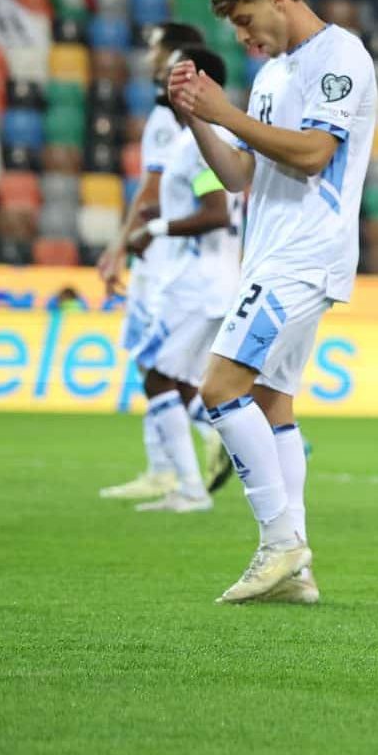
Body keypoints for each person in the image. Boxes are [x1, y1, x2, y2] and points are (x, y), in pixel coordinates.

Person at [168, 0, 378, 605]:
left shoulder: (339, 57)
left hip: (303, 255)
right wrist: (201, 119)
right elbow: (240, 178)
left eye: (245, 18)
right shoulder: (270, 77)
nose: (243, 36)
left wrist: (225, 113)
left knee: (220, 387)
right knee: (268, 402)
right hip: (271, 253)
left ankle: (281, 544)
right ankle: (298, 573)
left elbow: (316, 155)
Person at [98, 21, 221, 501]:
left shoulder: (178, 129)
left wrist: (127, 241)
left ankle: (185, 464)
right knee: (171, 369)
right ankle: (178, 464)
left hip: (174, 267)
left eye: (159, 54)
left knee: (153, 363)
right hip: (188, 265)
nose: (154, 65)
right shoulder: (204, 132)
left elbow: (156, 192)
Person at [121, 45, 241, 515]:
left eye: (176, 75)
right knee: (181, 382)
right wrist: (159, 213)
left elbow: (214, 213)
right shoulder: (194, 141)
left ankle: (192, 487)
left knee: (154, 374)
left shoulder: (198, 144)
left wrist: (154, 228)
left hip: (196, 282)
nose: (165, 82)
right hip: (208, 280)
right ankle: (211, 451)